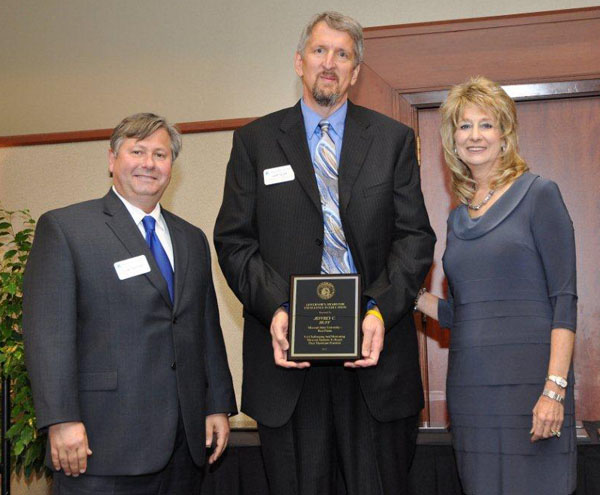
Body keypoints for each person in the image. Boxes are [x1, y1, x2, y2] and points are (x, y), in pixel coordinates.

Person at [213, 11, 435, 495]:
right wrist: (277, 307)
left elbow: (415, 238)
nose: (329, 63)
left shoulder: (394, 141)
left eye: (343, 54)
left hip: (373, 361)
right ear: (299, 61)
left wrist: (378, 308)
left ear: (355, 72)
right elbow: (234, 241)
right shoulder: (254, 143)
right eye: (319, 51)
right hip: (288, 366)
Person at [23, 113, 237, 495]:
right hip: (101, 443)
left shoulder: (192, 239)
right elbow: (48, 335)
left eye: (161, 154)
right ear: (111, 159)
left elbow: (205, 329)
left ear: (172, 166)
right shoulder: (67, 228)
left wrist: (216, 404)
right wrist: (61, 419)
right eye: (137, 151)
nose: (149, 163)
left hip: (183, 445)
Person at [415, 77, 577, 495]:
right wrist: (406, 294)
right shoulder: (457, 217)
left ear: (505, 134)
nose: (474, 136)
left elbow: (564, 300)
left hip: (532, 389)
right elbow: (461, 313)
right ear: (453, 140)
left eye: (485, 124)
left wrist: (554, 391)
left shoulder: (540, 194)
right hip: (471, 392)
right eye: (463, 126)